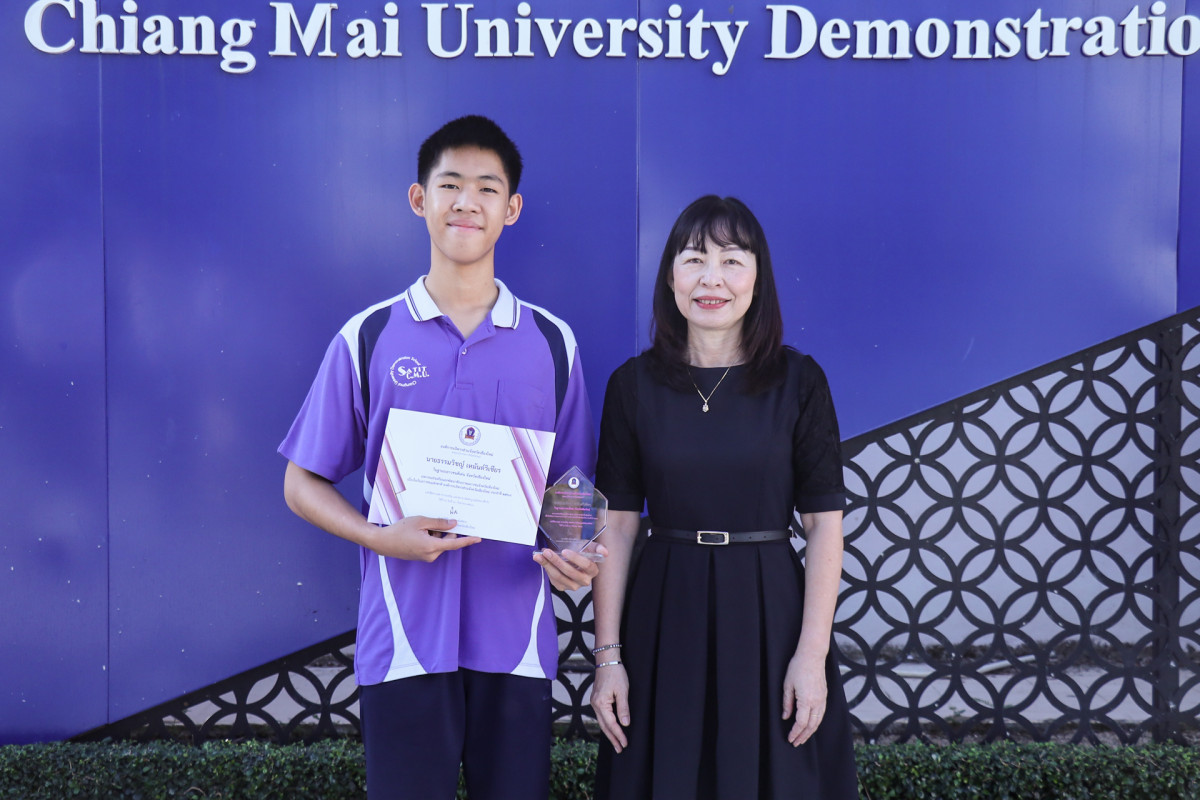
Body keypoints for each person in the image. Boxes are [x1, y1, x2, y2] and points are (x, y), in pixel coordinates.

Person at [279, 114, 603, 800]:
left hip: (515, 642)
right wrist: (378, 537)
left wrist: (574, 552)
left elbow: (570, 483)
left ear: (511, 209)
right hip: (403, 641)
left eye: (487, 188)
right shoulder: (368, 336)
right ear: (418, 199)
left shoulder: (552, 343)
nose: (467, 202)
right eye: (450, 184)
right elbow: (300, 482)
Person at [589, 195, 858, 799]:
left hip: (770, 614)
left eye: (732, 261)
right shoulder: (632, 385)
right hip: (665, 611)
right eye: (694, 259)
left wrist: (811, 655)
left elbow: (824, 526)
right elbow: (619, 526)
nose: (712, 278)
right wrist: (609, 659)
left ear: (758, 279)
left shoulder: (799, 381)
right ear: (671, 277)